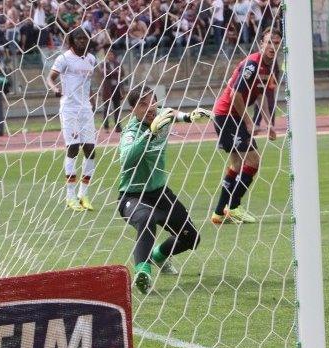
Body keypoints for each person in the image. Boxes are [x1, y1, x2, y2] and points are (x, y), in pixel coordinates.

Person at [117, 85, 212, 294]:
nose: (150, 107)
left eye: (152, 101)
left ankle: (158, 256)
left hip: (160, 193)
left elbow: (170, 113)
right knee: (146, 218)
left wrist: (189, 116)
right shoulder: (131, 132)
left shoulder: (159, 115)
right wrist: (150, 134)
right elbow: (126, 159)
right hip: (132, 195)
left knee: (191, 238)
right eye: (143, 104)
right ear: (133, 110)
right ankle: (143, 272)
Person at [211, 27, 281, 224]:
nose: (272, 46)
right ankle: (233, 207)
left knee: (237, 164)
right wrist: (249, 122)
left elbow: (260, 96)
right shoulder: (252, 64)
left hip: (232, 116)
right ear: (261, 44)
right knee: (253, 161)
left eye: (276, 43)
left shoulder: (272, 67)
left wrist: (269, 124)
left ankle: (218, 214)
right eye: (269, 42)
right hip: (227, 115)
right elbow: (235, 96)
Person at [47, 28, 98, 212]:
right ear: (72, 40)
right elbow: (50, 78)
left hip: (86, 109)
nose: (82, 41)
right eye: (79, 38)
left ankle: (83, 194)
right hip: (69, 109)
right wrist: (54, 89)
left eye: (85, 38)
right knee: (73, 148)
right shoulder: (64, 58)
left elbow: (88, 85)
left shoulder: (91, 59)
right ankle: (70, 197)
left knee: (90, 150)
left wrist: (93, 101)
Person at [100, 50, 126, 133]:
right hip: (107, 89)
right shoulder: (104, 64)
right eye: (108, 55)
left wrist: (114, 73)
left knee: (117, 108)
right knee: (106, 109)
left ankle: (118, 127)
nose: (110, 56)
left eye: (111, 54)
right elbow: (105, 73)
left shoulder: (117, 63)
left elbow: (122, 73)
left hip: (117, 88)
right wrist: (115, 72)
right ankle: (106, 127)